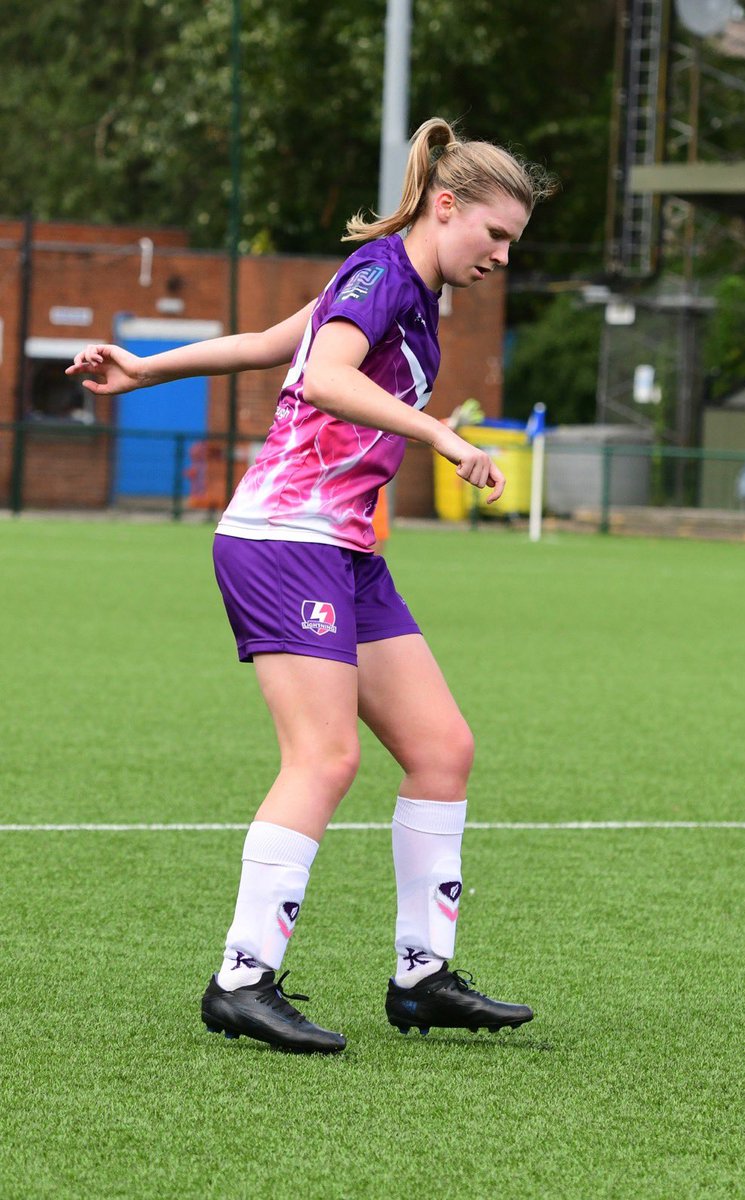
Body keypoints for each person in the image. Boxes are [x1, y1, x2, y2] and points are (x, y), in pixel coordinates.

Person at [66, 118, 555, 1054]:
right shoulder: (381, 278)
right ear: (444, 207)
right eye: (493, 235)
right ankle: (241, 979)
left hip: (344, 550)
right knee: (325, 758)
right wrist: (446, 437)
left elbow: (269, 344)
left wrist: (143, 370)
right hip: (285, 539)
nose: (501, 256)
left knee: (443, 748)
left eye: (512, 244)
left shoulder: (402, 286)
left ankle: (422, 976)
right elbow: (325, 376)